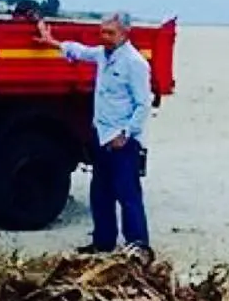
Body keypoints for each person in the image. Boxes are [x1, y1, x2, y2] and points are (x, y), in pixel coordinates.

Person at [35, 13, 153, 260]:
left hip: (122, 141)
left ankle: (139, 246)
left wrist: (126, 134)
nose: (105, 37)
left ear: (124, 33)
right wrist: (53, 42)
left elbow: (143, 104)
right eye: (103, 32)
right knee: (100, 193)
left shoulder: (134, 63)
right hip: (101, 136)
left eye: (110, 33)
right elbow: (80, 51)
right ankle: (103, 242)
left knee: (128, 193)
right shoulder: (103, 55)